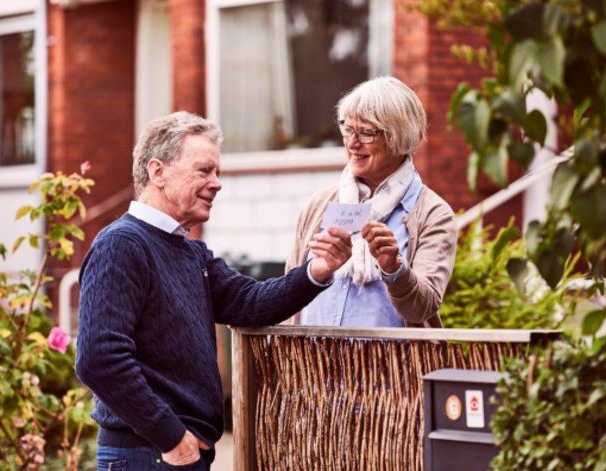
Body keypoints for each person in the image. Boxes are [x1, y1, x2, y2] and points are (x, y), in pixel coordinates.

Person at [76, 111, 352, 470]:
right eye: (204, 171)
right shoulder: (122, 245)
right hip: (150, 455)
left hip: (171, 455)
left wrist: (318, 269)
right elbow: (99, 360)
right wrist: (172, 437)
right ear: (157, 172)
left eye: (217, 171)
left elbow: (251, 304)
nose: (217, 183)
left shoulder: (191, 252)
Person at [286, 76, 457, 328]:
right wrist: (317, 271)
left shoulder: (433, 214)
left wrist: (394, 269)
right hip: (313, 365)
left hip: (392, 367)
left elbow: (423, 309)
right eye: (347, 129)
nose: (352, 143)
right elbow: (289, 297)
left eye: (366, 132)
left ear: (400, 137)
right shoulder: (318, 205)